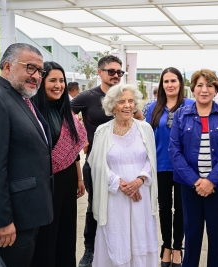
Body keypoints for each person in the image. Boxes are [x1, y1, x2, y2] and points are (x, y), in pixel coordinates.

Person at [0, 43, 53, 267]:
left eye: (40, 71)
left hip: (26, 215)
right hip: (9, 222)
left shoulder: (20, 98)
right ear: (7, 66)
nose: (37, 76)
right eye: (30, 68)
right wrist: (2, 220)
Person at [71, 55, 144, 267]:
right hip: (98, 164)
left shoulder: (125, 95)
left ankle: (125, 247)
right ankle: (90, 250)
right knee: (95, 207)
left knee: (123, 207)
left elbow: (140, 120)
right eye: (111, 71)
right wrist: (82, 137)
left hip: (126, 165)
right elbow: (67, 117)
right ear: (99, 72)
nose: (116, 75)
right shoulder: (86, 96)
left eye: (119, 72)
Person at [169, 69, 218, 267]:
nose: (204, 89)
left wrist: (211, 180)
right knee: (191, 233)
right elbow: (174, 150)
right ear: (192, 89)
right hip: (189, 184)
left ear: (216, 89)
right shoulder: (181, 115)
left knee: (217, 234)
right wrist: (195, 180)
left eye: (209, 85)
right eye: (200, 85)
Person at [88, 84, 158, 266]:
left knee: (139, 234)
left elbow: (151, 159)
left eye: (130, 101)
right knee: (116, 234)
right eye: (121, 102)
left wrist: (139, 180)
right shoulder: (102, 131)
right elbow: (96, 163)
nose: (127, 105)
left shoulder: (145, 129)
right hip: (114, 196)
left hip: (141, 196)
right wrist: (119, 183)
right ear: (112, 106)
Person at [30, 62, 87, 267]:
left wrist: (79, 178)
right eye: (52, 80)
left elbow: (74, 151)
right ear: (41, 81)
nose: (58, 85)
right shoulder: (33, 112)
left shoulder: (67, 112)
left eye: (61, 80)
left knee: (66, 235)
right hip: (46, 183)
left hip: (68, 180)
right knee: (47, 237)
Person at [146, 67, 195, 267]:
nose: (170, 85)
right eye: (166, 82)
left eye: (173, 81)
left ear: (180, 84)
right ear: (162, 85)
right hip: (161, 166)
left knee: (181, 209)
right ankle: (166, 246)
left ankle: (177, 249)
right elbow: (148, 137)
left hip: (184, 167)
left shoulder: (191, 105)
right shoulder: (153, 108)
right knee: (164, 208)